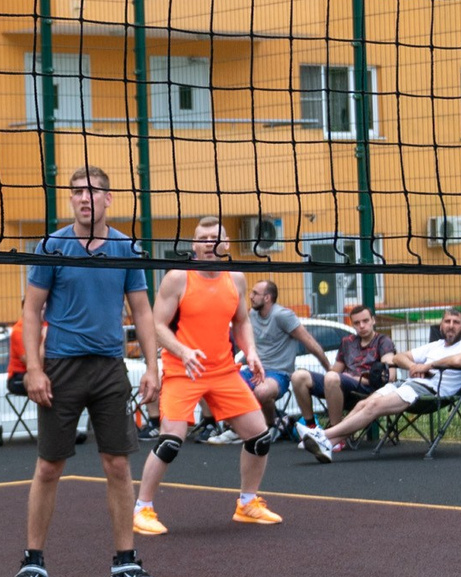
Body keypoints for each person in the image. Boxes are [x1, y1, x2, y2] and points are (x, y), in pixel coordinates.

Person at [12, 166, 163, 577]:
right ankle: (33, 563)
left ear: (108, 199)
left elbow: (143, 312)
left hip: (109, 367)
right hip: (60, 367)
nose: (83, 199)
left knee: (117, 464)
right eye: (77, 192)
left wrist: (152, 366)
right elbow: (31, 311)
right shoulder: (51, 246)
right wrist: (34, 368)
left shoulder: (126, 249)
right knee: (48, 466)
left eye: (92, 192)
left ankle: (125, 563)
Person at [132, 219, 285, 533]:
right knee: (170, 442)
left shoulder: (236, 279)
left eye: (214, 238)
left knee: (260, 438)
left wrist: (251, 351)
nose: (208, 244)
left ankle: (247, 503)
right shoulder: (177, 278)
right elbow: (157, 325)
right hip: (182, 369)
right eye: (201, 239)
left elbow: (242, 322)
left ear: (225, 244)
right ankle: (142, 508)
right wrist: (184, 351)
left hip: (223, 370)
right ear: (194, 245)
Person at [297, 308, 461, 461]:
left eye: (456, 322)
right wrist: (413, 366)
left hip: (430, 391)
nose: (451, 325)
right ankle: (329, 444)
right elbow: (399, 357)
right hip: (408, 383)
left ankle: (323, 435)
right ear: (441, 325)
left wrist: (429, 365)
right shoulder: (435, 346)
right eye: (447, 321)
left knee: (373, 406)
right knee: (363, 404)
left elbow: (459, 360)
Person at [245, 278, 328, 433]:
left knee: (262, 392)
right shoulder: (252, 314)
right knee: (223, 386)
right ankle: (233, 428)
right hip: (254, 369)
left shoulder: (282, 315)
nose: (250, 296)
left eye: (255, 293)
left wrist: (329, 369)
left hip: (278, 373)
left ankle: (270, 426)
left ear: (267, 298)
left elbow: (309, 342)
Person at [292, 300, 392, 428]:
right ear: (353, 325)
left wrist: (354, 378)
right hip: (342, 386)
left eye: (365, 321)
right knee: (298, 376)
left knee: (332, 377)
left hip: (367, 390)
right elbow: (335, 371)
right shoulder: (347, 342)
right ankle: (312, 427)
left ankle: (336, 432)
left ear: (373, 320)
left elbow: (388, 375)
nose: (361, 326)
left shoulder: (383, 341)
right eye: (357, 323)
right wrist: (340, 377)